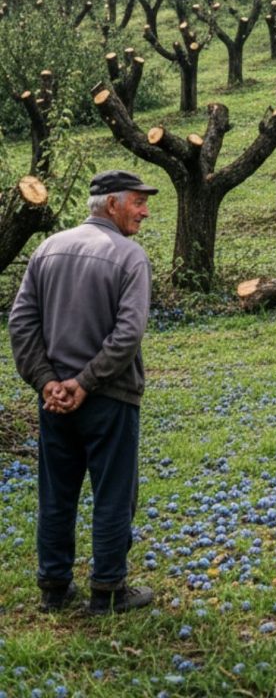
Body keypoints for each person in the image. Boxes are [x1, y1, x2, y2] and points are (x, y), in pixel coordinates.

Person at [9, 169, 158, 614]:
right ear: (112, 204)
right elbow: (128, 333)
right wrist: (86, 382)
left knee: (56, 493)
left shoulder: (48, 249)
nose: (145, 212)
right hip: (110, 397)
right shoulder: (130, 257)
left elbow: (21, 323)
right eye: (138, 202)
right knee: (113, 493)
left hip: (55, 400)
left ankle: (54, 588)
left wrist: (47, 382)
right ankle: (108, 591)